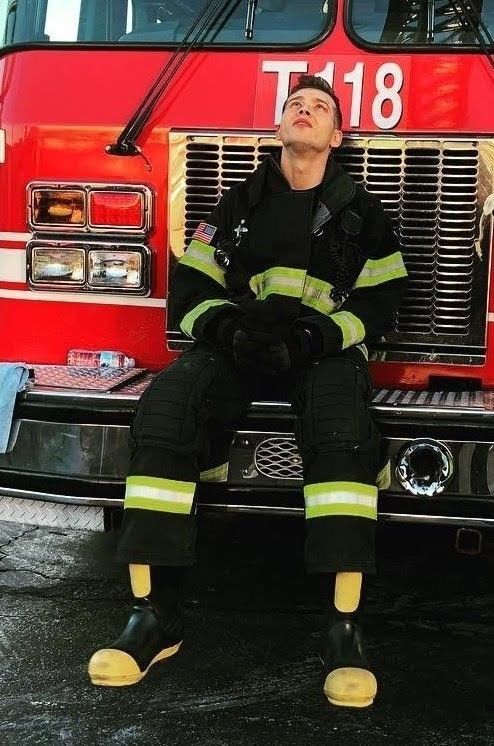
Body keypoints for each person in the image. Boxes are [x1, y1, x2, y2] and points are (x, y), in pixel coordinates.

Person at [88, 74, 408, 707]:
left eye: (320, 108)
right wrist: (229, 331)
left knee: (343, 431)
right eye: (297, 105)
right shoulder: (236, 205)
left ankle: (344, 628)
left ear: (337, 136)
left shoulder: (363, 213)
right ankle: (153, 617)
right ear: (280, 129)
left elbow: (383, 301)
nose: (307, 112)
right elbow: (189, 289)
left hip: (320, 352)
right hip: (242, 347)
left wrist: (317, 340)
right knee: (167, 411)